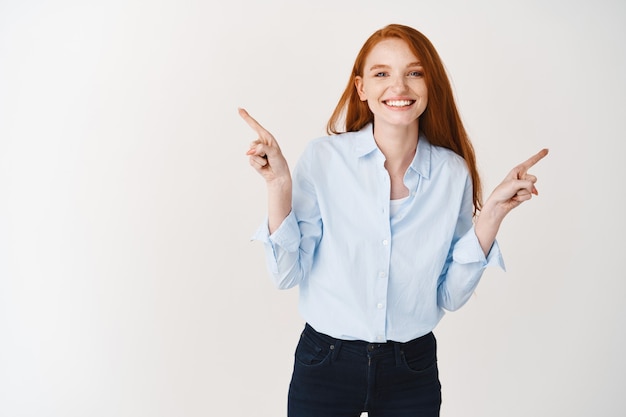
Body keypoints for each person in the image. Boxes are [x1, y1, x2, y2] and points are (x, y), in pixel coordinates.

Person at [240, 23, 548, 417]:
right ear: (361, 88)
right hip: (325, 363)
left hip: (412, 367)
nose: (398, 87)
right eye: (381, 73)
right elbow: (286, 274)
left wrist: (492, 215)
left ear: (429, 85)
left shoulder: (452, 173)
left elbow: (450, 297)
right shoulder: (323, 160)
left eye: (414, 73)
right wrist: (278, 184)